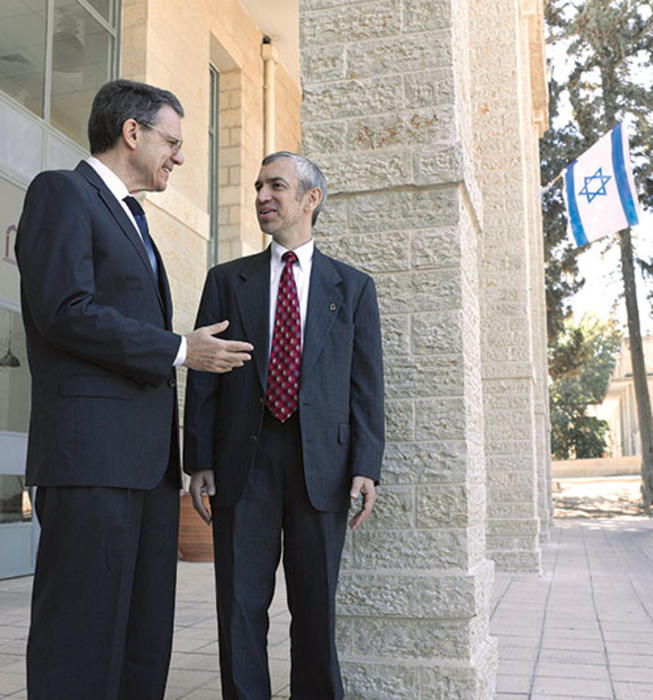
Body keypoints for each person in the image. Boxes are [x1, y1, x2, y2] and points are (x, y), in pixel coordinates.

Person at [15, 78, 253, 700]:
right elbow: (64, 309)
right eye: (172, 141)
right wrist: (180, 349)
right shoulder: (62, 193)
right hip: (91, 460)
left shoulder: (135, 217)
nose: (178, 155)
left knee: (144, 634)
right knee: (81, 634)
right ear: (132, 133)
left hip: (148, 468)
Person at [184, 151, 385, 699]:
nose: (262, 197)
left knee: (315, 606)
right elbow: (204, 376)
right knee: (239, 603)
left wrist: (367, 466)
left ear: (310, 199)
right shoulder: (227, 281)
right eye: (257, 187)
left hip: (322, 464)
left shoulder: (353, 289)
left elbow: (365, 385)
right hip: (241, 462)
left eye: (276, 186)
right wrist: (198, 459)